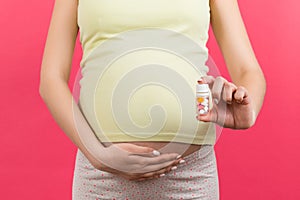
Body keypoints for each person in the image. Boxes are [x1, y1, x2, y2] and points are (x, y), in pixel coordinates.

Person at [39, 0, 266, 199]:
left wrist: (249, 107)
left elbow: (248, 70)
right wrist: (97, 155)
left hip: (190, 177)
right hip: (103, 179)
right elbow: (51, 80)